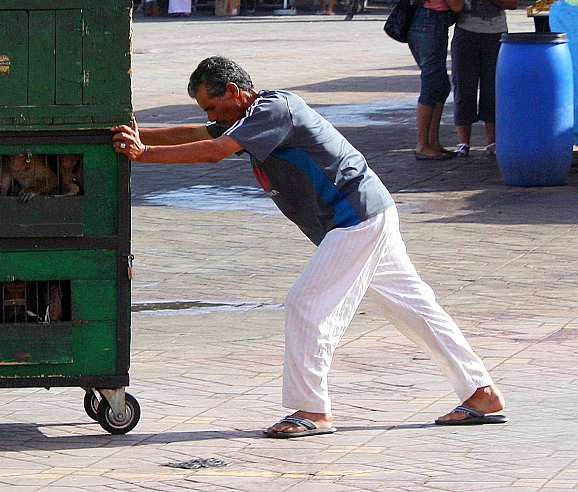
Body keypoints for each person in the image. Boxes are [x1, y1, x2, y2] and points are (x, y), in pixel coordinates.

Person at [111, 56, 506, 438]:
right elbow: (196, 134)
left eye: (212, 106)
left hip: (356, 218)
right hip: (367, 216)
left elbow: (212, 152)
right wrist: (134, 135)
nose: (211, 117)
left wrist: (143, 154)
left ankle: (312, 409)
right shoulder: (244, 118)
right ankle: (481, 393)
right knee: (414, 309)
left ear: (234, 91)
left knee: (307, 304)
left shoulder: (272, 110)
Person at [451, 0, 519, 158]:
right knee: (463, 86)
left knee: (491, 86)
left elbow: (512, 1)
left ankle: (491, 140)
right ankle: (463, 142)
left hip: (494, 34)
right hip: (466, 33)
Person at [407, 0, 464, 160]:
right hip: (431, 25)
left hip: (425, 24)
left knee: (440, 85)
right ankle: (422, 143)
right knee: (432, 83)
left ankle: (433, 140)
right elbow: (456, 4)